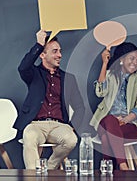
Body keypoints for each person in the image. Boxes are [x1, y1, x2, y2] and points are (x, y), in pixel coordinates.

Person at [13, 30, 85, 169]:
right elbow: (23, 67)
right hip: (36, 124)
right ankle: (33, 176)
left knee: (71, 140)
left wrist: (72, 126)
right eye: (55, 51)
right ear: (42, 55)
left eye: (60, 51)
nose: (60, 55)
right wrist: (39, 44)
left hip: (59, 125)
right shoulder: (33, 74)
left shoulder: (68, 78)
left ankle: (49, 168)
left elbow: (80, 107)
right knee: (29, 135)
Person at [90, 42, 137, 170]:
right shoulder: (110, 75)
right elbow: (100, 92)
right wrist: (104, 63)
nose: (135, 63)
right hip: (106, 121)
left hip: (130, 125)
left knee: (106, 138)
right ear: (122, 59)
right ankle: (123, 166)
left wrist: (127, 119)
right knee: (110, 119)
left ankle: (111, 169)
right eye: (132, 59)